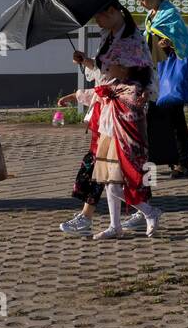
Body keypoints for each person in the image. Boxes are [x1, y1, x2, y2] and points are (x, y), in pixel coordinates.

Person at [57, 28, 161, 240]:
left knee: (124, 182)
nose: (106, 67)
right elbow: (94, 93)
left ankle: (148, 211)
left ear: (123, 68)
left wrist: (141, 95)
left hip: (124, 141)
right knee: (109, 182)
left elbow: (128, 106)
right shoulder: (112, 84)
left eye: (110, 65)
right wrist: (72, 96)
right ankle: (116, 225)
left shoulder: (132, 89)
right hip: (107, 135)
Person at [131, 0, 188, 178]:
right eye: (139, 1)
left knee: (175, 118)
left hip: (171, 73)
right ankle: (168, 159)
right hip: (156, 72)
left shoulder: (170, 14)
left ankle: (184, 162)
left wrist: (171, 45)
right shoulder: (151, 14)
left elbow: (185, 42)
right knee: (156, 118)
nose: (141, 4)